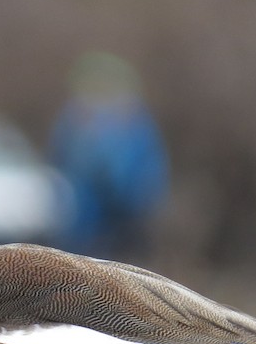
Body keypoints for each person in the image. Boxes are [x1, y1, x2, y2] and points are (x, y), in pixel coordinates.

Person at [49, 52, 169, 261]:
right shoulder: (72, 122)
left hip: (126, 220)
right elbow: (60, 167)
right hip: (81, 225)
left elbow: (147, 174)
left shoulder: (136, 125)